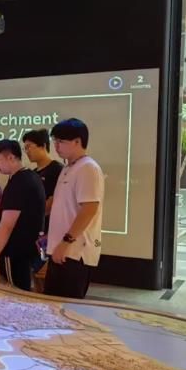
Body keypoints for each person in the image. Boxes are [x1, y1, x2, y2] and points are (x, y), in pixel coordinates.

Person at [45, 119, 104, 299]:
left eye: (61, 141)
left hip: (74, 253)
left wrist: (66, 242)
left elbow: (89, 209)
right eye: (55, 141)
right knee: (52, 306)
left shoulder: (88, 168)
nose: (56, 146)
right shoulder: (67, 168)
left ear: (77, 141)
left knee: (67, 308)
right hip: (60, 250)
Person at [0, 140, 46, 291]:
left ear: (11, 157)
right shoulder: (22, 177)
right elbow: (1, 204)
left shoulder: (21, 181)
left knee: (14, 292)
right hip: (23, 251)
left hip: (16, 251)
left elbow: (7, 225)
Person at [22, 129, 63, 234]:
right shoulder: (33, 173)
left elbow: (55, 200)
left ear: (43, 146)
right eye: (25, 149)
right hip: (34, 228)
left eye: (29, 147)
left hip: (51, 228)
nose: (27, 152)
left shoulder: (57, 169)